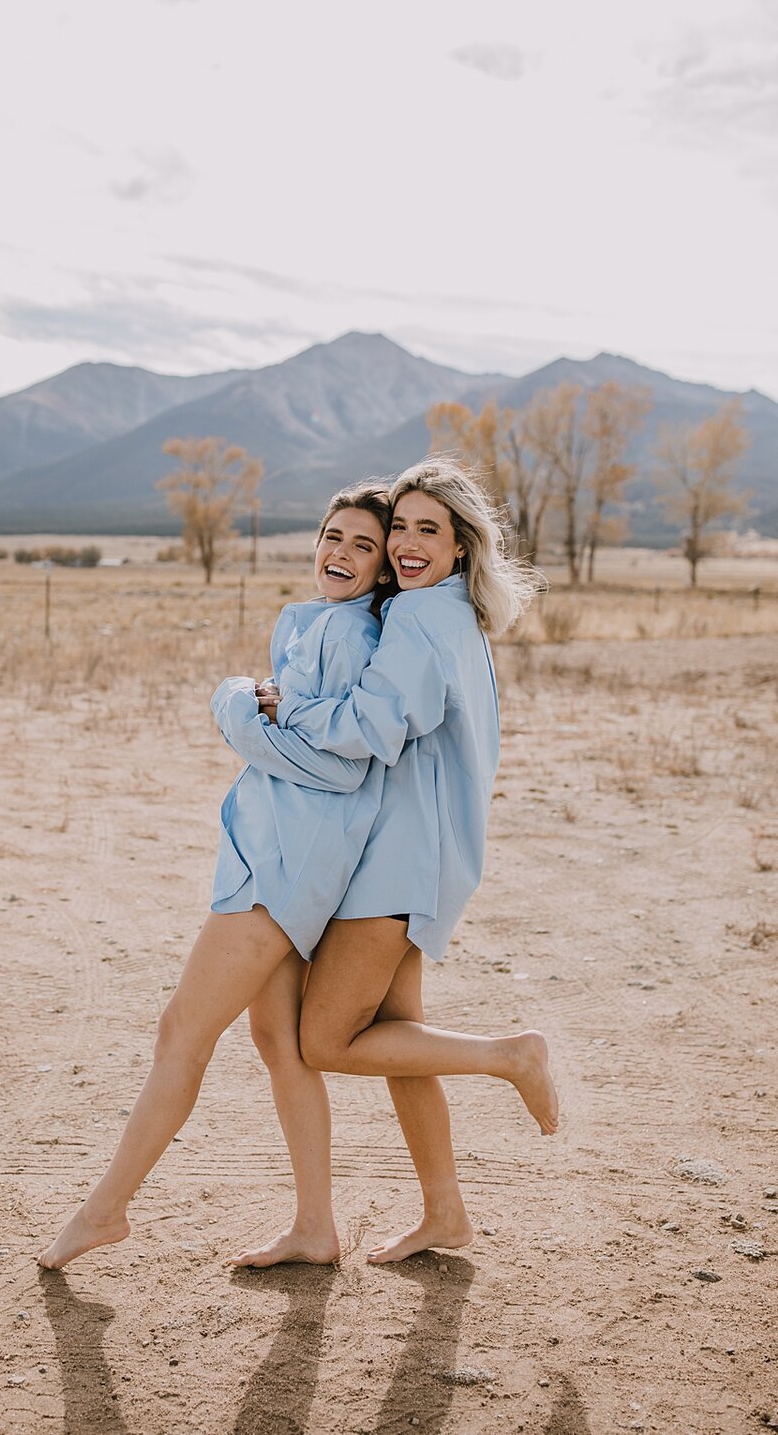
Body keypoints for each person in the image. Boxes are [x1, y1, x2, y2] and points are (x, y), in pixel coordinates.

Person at [38, 483, 469, 1272]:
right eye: (333, 536)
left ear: (381, 571)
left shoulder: (347, 632)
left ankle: (105, 1211)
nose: (341, 553)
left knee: (182, 1031)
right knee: (281, 1043)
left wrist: (235, 704)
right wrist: (257, 708)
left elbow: (342, 771)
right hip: (276, 854)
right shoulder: (311, 621)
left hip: (285, 868)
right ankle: (314, 1227)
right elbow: (305, 741)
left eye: (363, 547)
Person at [247, 455, 558, 1270]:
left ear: (462, 547)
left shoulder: (420, 621)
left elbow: (372, 730)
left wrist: (282, 707)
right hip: (431, 851)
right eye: (402, 529)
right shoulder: (454, 616)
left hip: (400, 858)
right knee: (396, 1036)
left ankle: (509, 1055)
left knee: (324, 1040)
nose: (410, 543)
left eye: (431, 529)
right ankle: (445, 1213)